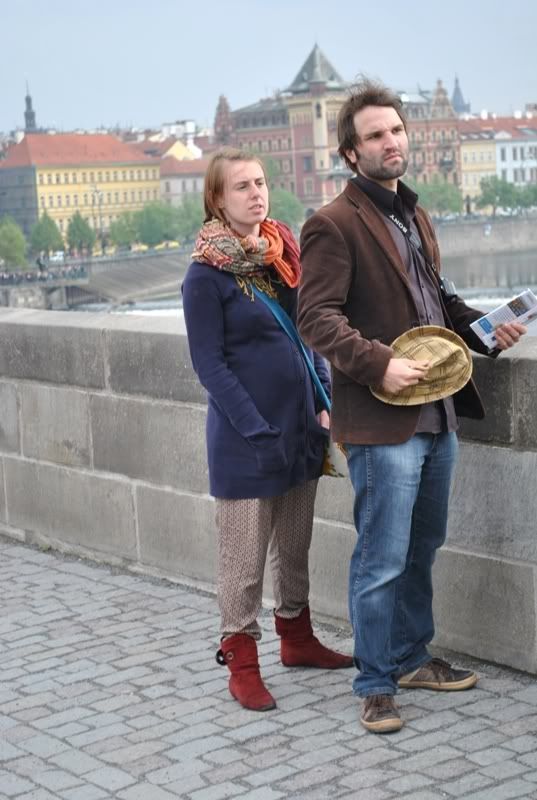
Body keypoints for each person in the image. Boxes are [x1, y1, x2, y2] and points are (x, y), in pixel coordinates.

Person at [297, 79, 526, 734]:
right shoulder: (332, 223)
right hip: (381, 421)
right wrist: (379, 363)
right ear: (350, 152)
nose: (389, 142)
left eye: (395, 130)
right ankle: (374, 684)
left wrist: (487, 330)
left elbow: (437, 306)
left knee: (422, 546)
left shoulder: (413, 214)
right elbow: (315, 318)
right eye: (374, 135)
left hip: (438, 413)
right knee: (381, 556)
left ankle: (409, 656)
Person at [182, 147, 353, 713]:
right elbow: (210, 366)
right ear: (217, 199)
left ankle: (297, 640)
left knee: (295, 547)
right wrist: (256, 429)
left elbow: (310, 334)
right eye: (242, 186)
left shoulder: (283, 257)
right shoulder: (205, 276)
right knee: (243, 560)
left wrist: (324, 400)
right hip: (247, 441)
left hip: (301, 429)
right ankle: (242, 663)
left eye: (260, 183)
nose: (256, 193)